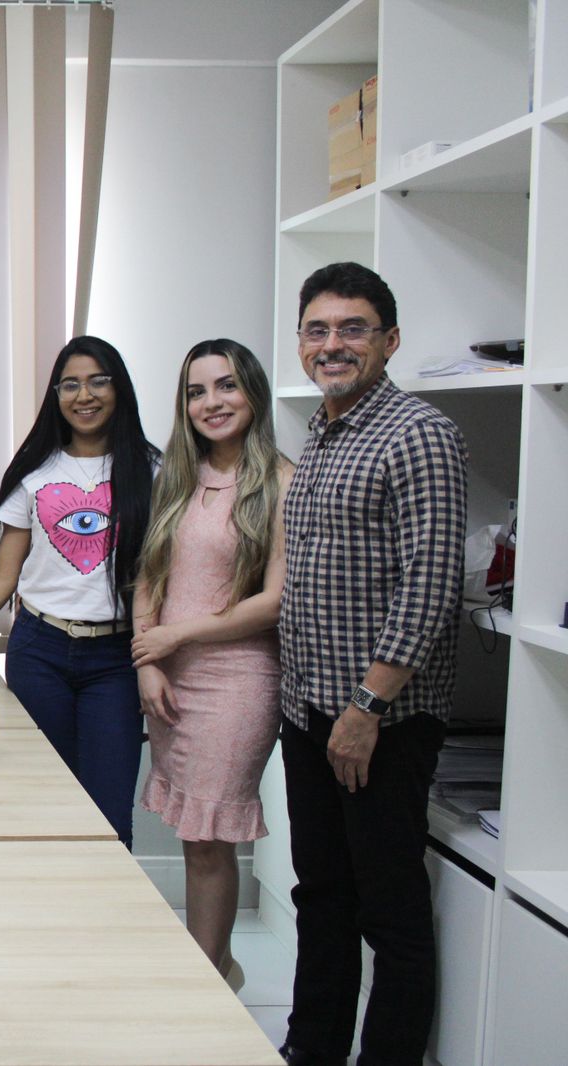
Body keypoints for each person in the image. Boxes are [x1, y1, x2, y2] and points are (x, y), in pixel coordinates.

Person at [277, 262, 466, 1066]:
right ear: (300, 343)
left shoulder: (418, 434)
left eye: (353, 329)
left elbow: (430, 587)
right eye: (318, 330)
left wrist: (366, 710)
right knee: (321, 896)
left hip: (378, 722)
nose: (333, 344)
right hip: (309, 711)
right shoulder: (322, 432)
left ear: (389, 341)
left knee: (389, 913)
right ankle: (311, 1049)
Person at [0, 335, 160, 847]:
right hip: (40, 651)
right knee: (40, 799)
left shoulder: (152, 470)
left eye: (97, 381)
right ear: (56, 395)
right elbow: (2, 578)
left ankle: (101, 899)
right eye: (70, 384)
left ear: (119, 389)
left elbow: (160, 576)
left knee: (110, 813)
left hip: (116, 659)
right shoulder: (36, 473)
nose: (84, 395)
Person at [131, 339, 292, 991]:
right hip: (171, 677)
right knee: (191, 834)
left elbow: (274, 601)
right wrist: (148, 660)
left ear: (252, 390)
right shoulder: (177, 475)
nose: (212, 402)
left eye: (226, 385)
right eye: (197, 392)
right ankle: (219, 969)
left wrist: (177, 636)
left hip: (238, 682)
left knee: (209, 837)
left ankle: (208, 984)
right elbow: (150, 575)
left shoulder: (282, 481)